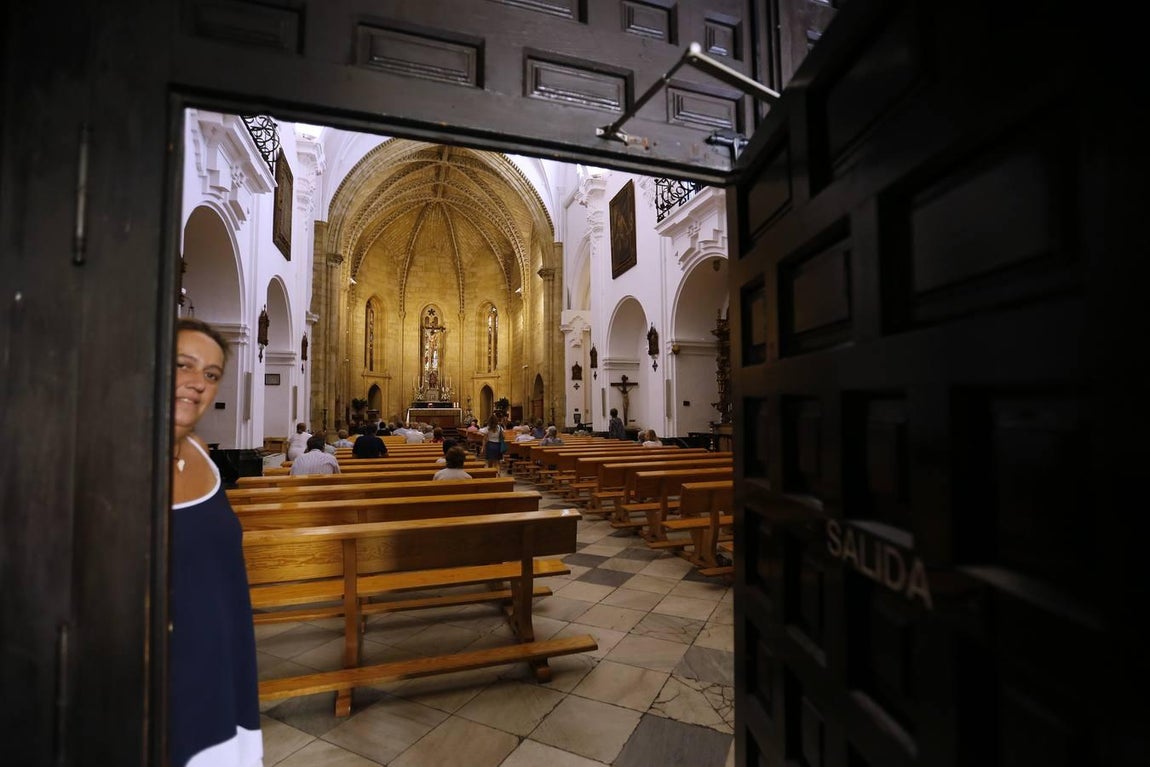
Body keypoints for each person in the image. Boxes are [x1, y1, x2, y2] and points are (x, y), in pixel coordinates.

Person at [170, 317, 261, 767]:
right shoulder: (112, 456)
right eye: (183, 365)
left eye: (210, 374)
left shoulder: (202, 452)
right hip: (165, 676)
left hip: (224, 658)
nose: (197, 383)